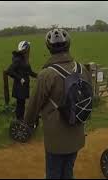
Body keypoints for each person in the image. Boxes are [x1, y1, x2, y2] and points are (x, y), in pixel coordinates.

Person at [24, 29, 92, 179]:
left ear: (49, 48)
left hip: (56, 138)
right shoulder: (82, 69)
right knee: (68, 170)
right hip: (77, 131)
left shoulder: (46, 74)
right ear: (68, 45)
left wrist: (28, 123)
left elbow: (34, 104)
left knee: (53, 173)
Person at [6, 41, 37, 121]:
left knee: (22, 104)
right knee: (20, 104)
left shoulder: (24, 59)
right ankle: (19, 121)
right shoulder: (18, 59)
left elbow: (29, 72)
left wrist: (39, 76)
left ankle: (21, 120)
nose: (29, 51)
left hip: (24, 86)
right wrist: (20, 78)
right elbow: (9, 71)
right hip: (19, 87)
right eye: (28, 49)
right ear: (25, 49)